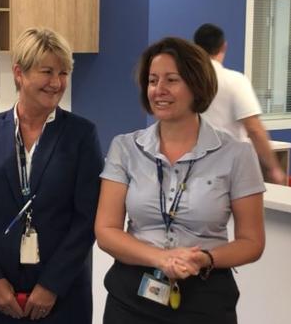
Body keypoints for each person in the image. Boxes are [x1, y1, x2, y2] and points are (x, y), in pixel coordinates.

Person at [95, 37, 265, 323]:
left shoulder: (236, 154)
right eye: (152, 81)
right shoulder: (125, 148)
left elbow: (251, 242)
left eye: (171, 80)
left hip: (205, 294)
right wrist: (159, 258)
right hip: (132, 294)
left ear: (196, 85)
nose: (159, 90)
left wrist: (205, 259)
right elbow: (106, 230)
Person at [0, 27, 103, 323]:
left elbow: (86, 218)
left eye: (63, 73)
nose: (56, 83)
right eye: (46, 71)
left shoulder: (81, 135)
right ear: (19, 73)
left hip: (61, 295)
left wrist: (52, 285)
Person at [194, 23, 286, 185]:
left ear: (195, 47)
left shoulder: (184, 81)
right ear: (224, 47)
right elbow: (254, 128)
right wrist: (274, 168)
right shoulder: (234, 81)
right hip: (229, 167)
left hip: (192, 165)